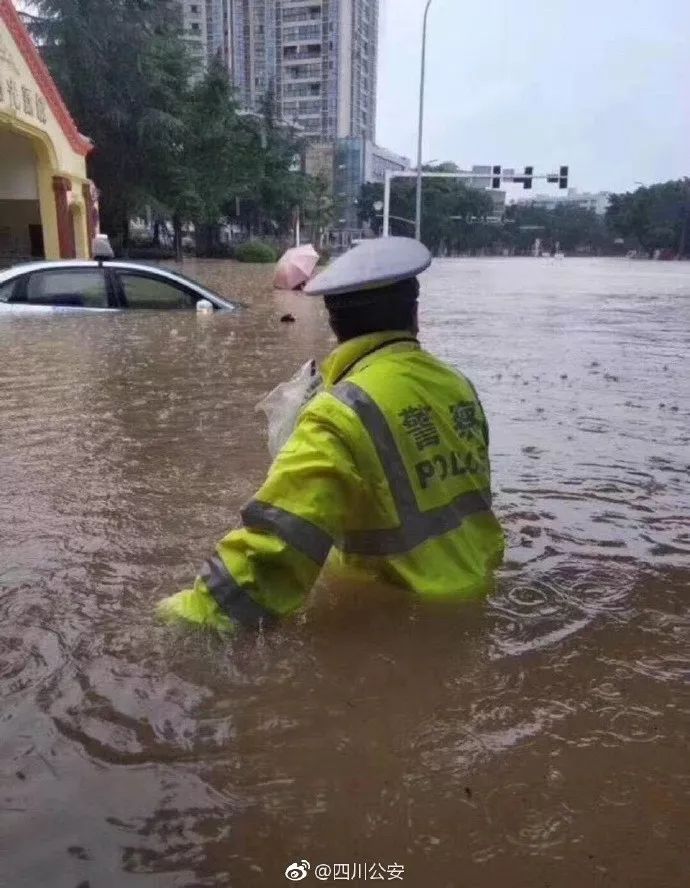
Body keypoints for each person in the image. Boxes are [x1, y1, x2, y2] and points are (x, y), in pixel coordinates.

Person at [158, 237, 504, 632]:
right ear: (415, 315)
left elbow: (277, 544)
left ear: (335, 324)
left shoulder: (341, 411)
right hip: (482, 588)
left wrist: (188, 618)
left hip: (406, 617)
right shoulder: (458, 384)